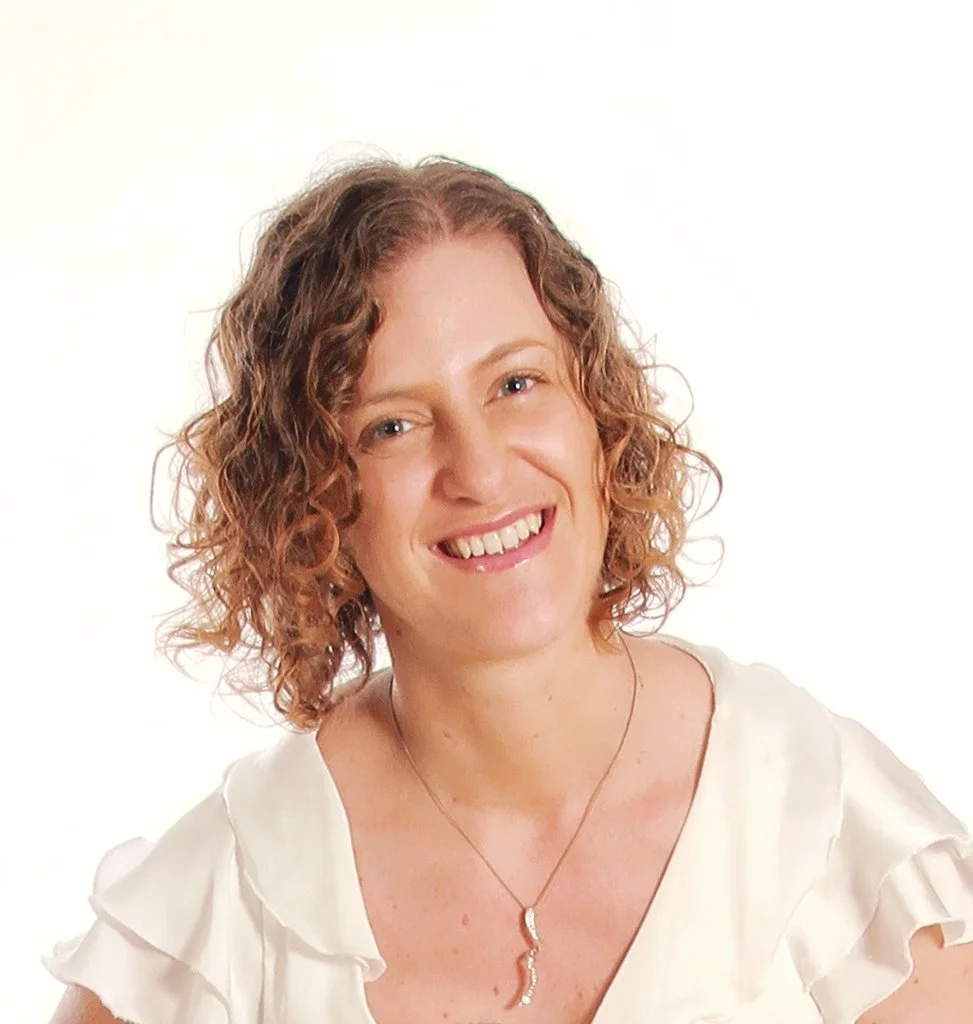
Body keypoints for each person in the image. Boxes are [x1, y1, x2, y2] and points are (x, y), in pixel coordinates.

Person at [45, 157, 973, 1024]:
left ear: (596, 413)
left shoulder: (821, 821)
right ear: (312, 494)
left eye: (516, 383)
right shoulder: (212, 921)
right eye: (394, 425)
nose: (480, 471)